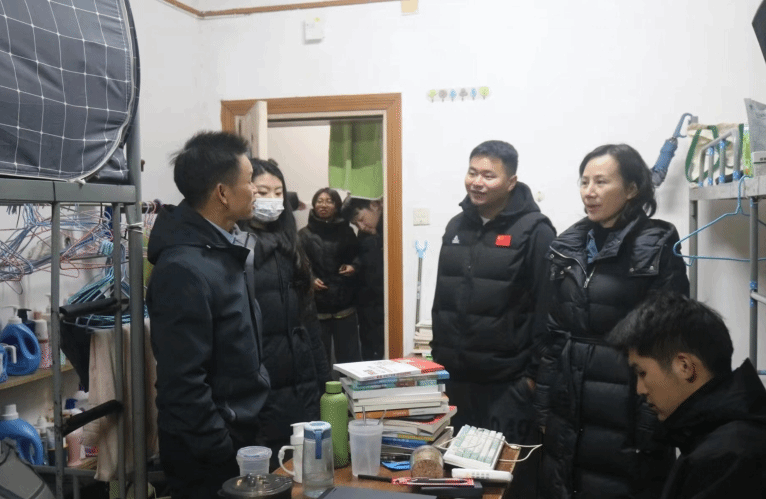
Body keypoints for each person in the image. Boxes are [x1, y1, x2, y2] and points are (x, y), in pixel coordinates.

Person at [534, 143, 690, 499]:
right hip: (568, 406)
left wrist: (652, 424)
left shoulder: (656, 243)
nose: (589, 191)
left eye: (601, 182)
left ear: (632, 188)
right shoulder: (567, 246)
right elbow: (553, 336)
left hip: (626, 411)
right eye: (584, 181)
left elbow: (668, 342)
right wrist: (543, 407)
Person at [146, 131, 270, 499]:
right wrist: (221, 446)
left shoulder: (223, 249)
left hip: (239, 434)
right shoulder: (183, 267)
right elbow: (182, 383)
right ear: (222, 193)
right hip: (208, 453)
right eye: (250, 181)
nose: (255, 191)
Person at [430, 140, 556, 499]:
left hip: (507, 387)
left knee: (506, 483)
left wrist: (531, 379)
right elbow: (443, 299)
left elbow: (548, 311)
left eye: (489, 175)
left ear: (511, 181)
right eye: (473, 172)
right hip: (456, 382)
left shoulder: (536, 231)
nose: (477, 182)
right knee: (457, 480)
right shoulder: (456, 226)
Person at [608, 291, 766, 499]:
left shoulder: (726, 459)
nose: (640, 390)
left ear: (684, 367)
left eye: (642, 373)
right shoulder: (720, 436)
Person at [238, 158, 331, 469]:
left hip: (302, 381)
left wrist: (323, 380)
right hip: (261, 384)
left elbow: (309, 322)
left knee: (306, 467)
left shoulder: (292, 244)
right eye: (263, 191)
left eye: (278, 192)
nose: (272, 199)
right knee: (270, 469)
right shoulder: (236, 248)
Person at [299, 188, 363, 366]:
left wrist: (353, 267)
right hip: (317, 308)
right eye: (319, 201)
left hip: (345, 306)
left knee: (350, 360)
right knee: (319, 359)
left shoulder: (347, 232)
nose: (324, 205)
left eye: (329, 201)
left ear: (337, 206)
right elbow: (298, 264)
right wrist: (310, 279)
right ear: (313, 205)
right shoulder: (303, 235)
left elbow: (359, 256)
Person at [341, 197, 385, 361]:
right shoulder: (365, 234)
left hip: (384, 304)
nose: (361, 226)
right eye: (356, 224)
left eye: (361, 219)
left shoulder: (392, 228)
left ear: (374, 205)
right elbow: (364, 260)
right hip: (368, 305)